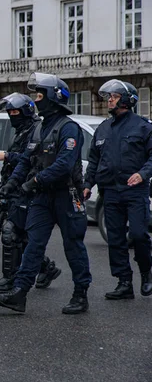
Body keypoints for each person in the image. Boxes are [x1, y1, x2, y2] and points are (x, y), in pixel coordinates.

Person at [0, 72, 92, 315]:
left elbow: (64, 165)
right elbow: (26, 160)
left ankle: (81, 294)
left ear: (53, 97)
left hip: (67, 194)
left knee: (73, 244)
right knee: (33, 244)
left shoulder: (69, 128)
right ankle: (20, 293)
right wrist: (11, 184)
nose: (35, 100)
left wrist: (32, 182)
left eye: (39, 95)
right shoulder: (38, 129)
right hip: (42, 197)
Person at [84, 79, 152, 299]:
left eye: (112, 97)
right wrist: (87, 185)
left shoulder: (143, 126)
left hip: (135, 191)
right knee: (115, 239)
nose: (109, 101)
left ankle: (146, 273)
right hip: (110, 192)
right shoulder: (103, 129)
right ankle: (124, 282)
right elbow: (94, 160)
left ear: (125, 100)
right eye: (108, 97)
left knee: (139, 234)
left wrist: (142, 174)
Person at [0, 93, 61, 293]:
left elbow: (32, 158)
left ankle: (11, 278)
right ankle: (47, 268)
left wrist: (7, 156)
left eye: (15, 111)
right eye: (10, 112)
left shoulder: (36, 130)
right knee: (22, 235)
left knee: (13, 233)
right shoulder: (22, 130)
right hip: (16, 186)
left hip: (29, 187)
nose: (12, 115)